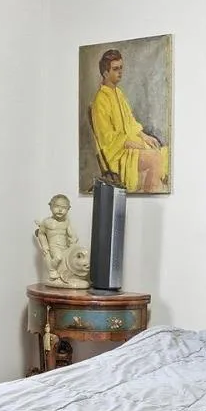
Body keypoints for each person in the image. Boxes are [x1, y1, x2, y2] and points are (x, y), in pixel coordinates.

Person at [90, 49, 169, 192]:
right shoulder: (100, 100)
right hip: (117, 154)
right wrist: (134, 144)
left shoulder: (118, 93)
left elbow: (130, 122)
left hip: (130, 145)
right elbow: (107, 137)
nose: (120, 72)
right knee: (155, 158)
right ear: (105, 73)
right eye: (115, 69)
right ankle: (150, 196)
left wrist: (144, 137)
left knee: (165, 154)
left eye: (121, 68)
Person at [34, 194, 90, 289]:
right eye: (57, 207)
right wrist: (44, 246)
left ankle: (65, 276)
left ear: (68, 209)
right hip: (54, 246)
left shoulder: (66, 222)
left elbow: (71, 233)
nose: (60, 210)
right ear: (51, 206)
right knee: (58, 257)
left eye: (64, 208)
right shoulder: (47, 222)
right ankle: (52, 270)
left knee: (68, 261)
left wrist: (73, 238)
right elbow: (41, 233)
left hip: (65, 246)